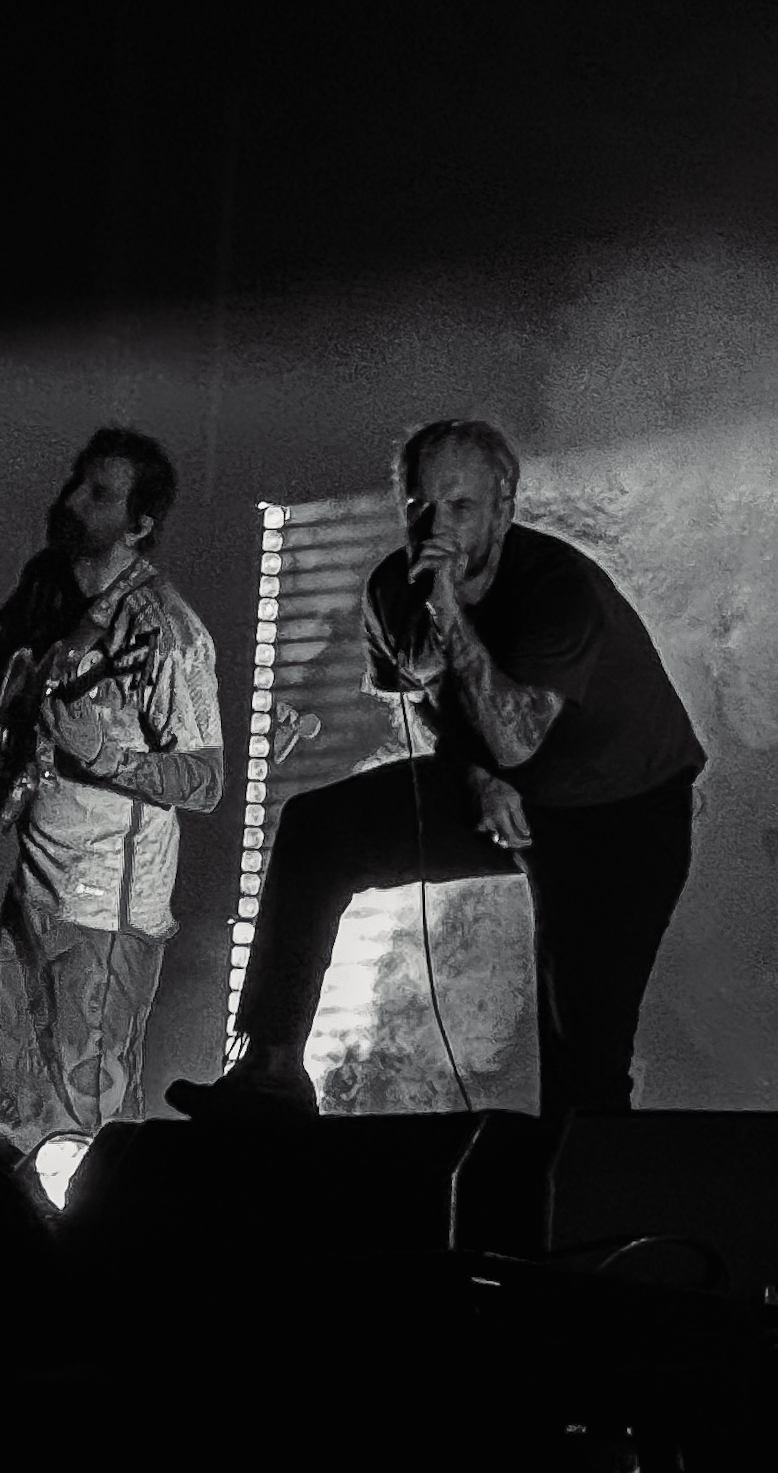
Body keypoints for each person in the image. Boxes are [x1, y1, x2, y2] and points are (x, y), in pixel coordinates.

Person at [168, 418, 705, 1122]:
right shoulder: (392, 589)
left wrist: (449, 609)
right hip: (508, 787)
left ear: (503, 507)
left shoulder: (557, 587)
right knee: (319, 830)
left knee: (585, 1057)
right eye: (420, 506)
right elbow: (425, 702)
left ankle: (583, 1196)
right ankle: (268, 1069)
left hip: (620, 815)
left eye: (460, 507)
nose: (435, 526)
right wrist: (475, 776)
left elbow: (518, 741)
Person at [0, 427, 223, 1153]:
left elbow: (205, 779)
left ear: (140, 525)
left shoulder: (165, 631)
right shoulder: (45, 584)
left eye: (99, 494)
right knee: (9, 1104)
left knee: (83, 1116)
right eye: (76, 481)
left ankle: (87, 1257)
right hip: (34, 886)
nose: (71, 500)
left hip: (106, 905)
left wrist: (101, 754)